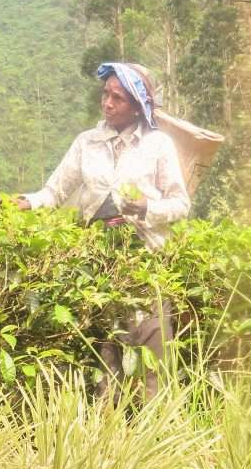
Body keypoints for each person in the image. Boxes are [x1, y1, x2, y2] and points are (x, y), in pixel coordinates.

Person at [15, 62, 191, 401]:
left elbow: (180, 204)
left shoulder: (157, 145)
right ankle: (107, 432)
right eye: (105, 94)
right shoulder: (87, 143)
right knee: (106, 350)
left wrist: (147, 210)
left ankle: (155, 431)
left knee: (153, 345)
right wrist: (28, 202)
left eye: (118, 98)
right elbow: (54, 192)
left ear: (138, 106)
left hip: (147, 260)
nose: (107, 103)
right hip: (100, 262)